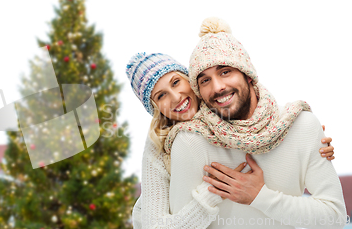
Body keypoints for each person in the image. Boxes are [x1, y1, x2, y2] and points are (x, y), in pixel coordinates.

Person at [163, 17, 347, 228]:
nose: (217, 87)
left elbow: (334, 217)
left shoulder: (300, 125)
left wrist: (259, 197)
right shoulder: (190, 141)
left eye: (225, 72)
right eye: (205, 80)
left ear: (248, 75)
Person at [126, 53, 335, 228]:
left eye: (176, 82)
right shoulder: (160, 142)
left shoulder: (227, 108)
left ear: (190, 81)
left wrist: (305, 135)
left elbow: (263, 118)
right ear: (155, 108)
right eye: (161, 96)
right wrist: (213, 193)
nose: (176, 96)